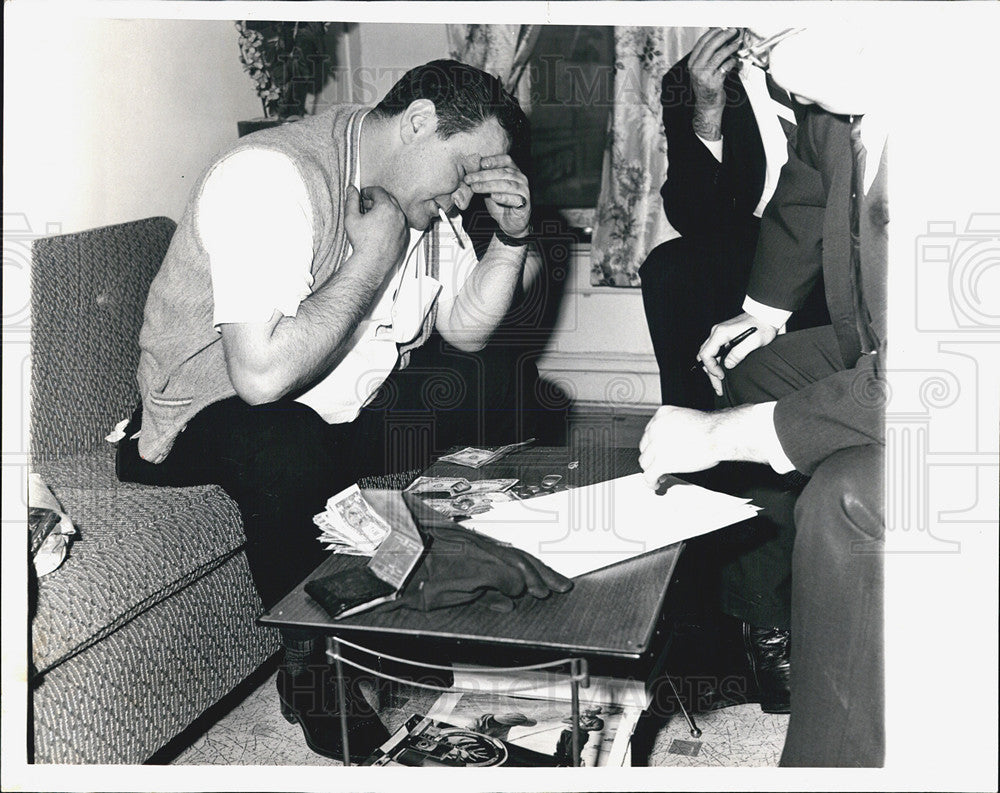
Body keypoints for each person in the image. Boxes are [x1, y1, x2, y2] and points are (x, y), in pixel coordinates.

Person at [116, 59, 572, 761]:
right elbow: (261, 377)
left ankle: (447, 612)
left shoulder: (420, 192)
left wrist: (512, 238)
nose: (460, 200)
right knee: (287, 440)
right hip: (208, 413)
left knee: (518, 389)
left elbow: (468, 331)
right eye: (462, 173)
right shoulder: (271, 176)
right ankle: (314, 674)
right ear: (419, 122)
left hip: (335, 412)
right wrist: (374, 254)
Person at [639, 27, 888, 767]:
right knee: (743, 369)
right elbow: (804, 187)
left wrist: (720, 438)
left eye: (780, 29)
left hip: (931, 375)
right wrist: (765, 310)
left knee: (840, 493)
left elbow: (936, 385)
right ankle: (767, 620)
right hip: (855, 317)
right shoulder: (830, 95)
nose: (761, 50)